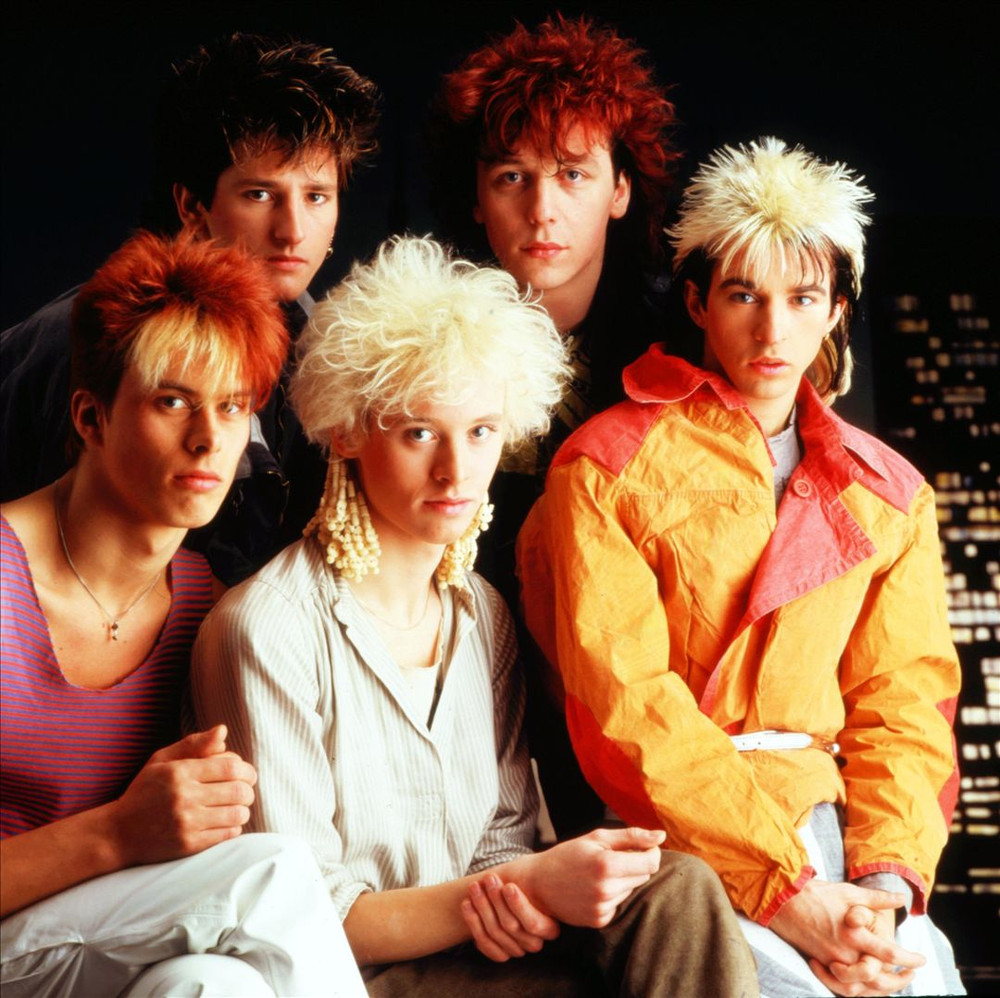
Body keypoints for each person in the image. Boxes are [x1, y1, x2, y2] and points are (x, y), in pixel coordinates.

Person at [191, 235, 758, 997]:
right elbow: (300, 915)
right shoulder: (266, 627)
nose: (456, 471)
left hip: (480, 952)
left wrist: (515, 895)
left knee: (677, 886)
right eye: (420, 432)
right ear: (348, 430)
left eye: (482, 431)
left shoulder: (481, 613)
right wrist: (504, 894)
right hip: (354, 975)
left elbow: (501, 841)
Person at [518, 137, 965, 997]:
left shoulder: (890, 491)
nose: (771, 329)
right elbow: (626, 706)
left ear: (836, 309)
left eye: (802, 298)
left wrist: (881, 892)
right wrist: (788, 894)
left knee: (918, 979)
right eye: (743, 295)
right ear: (697, 301)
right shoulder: (605, 464)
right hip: (676, 841)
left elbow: (905, 704)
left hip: (846, 836)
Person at [0, 232, 365, 998]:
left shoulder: (205, 605)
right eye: (172, 401)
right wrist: (116, 832)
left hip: (89, 947)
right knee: (270, 875)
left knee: (211, 985)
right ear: (91, 418)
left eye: (232, 407)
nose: (208, 440)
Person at [1, 32, 380, 584]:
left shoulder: (323, 350)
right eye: (259, 194)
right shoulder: (102, 339)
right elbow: (61, 572)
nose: (293, 230)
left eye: (316, 196)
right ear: (192, 205)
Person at [428, 13, 679, 833]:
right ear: (477, 195)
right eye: (513, 176)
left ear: (620, 189)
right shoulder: (423, 341)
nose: (543, 210)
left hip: (647, 689)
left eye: (573, 175)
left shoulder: (682, 343)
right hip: (459, 692)